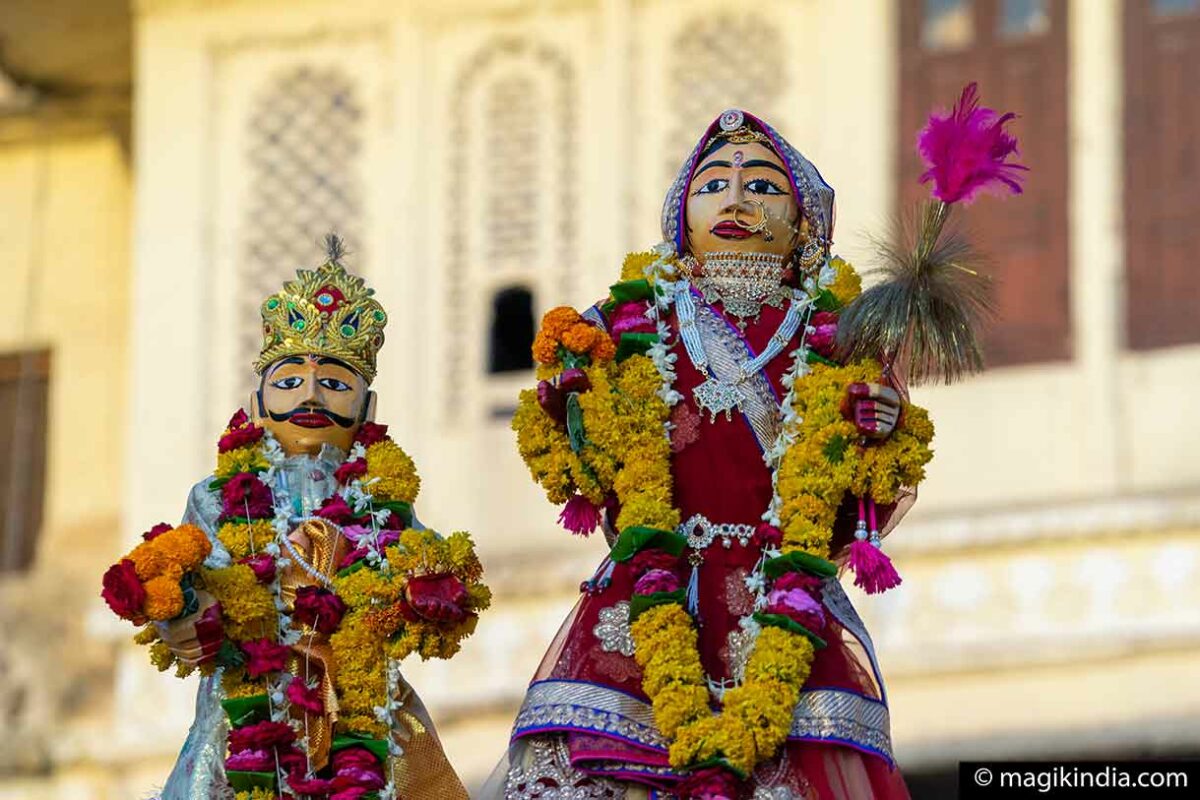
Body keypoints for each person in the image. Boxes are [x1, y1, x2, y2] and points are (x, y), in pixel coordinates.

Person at [494, 110, 921, 799]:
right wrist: (573, 409)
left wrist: (883, 421)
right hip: (651, 605)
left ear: (805, 222)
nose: (735, 198)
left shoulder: (838, 337)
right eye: (713, 183)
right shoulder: (626, 325)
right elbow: (582, 455)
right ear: (680, 218)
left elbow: (878, 474)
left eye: (761, 186)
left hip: (786, 602)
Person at [152, 239, 468, 799]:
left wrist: (428, 594)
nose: (313, 393)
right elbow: (190, 587)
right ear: (256, 405)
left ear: (367, 411)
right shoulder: (216, 497)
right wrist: (181, 614)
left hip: (362, 720)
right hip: (244, 723)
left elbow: (433, 576)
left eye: (337, 384)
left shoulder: (380, 500)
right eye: (290, 382)